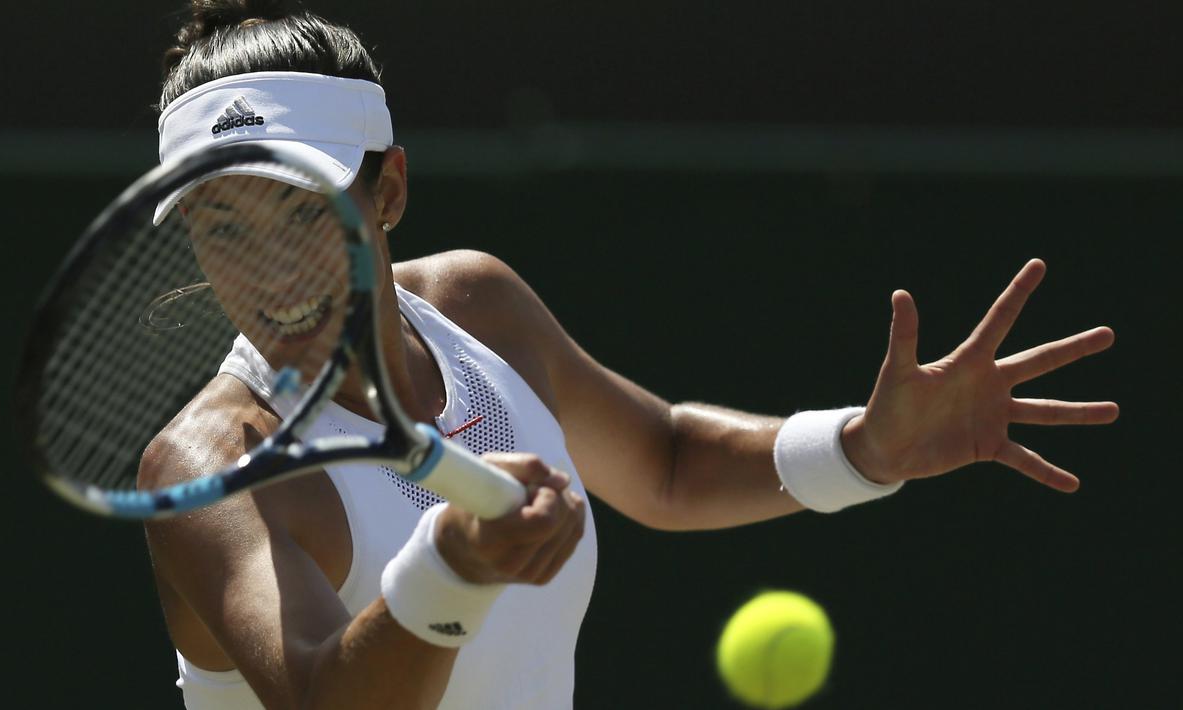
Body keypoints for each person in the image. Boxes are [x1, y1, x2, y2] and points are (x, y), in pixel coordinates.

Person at [140, 2, 1120, 709]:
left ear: (387, 189)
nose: (268, 267)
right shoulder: (211, 467)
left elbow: (663, 461)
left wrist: (863, 449)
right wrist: (450, 567)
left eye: (303, 211)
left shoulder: (478, 306)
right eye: (222, 227)